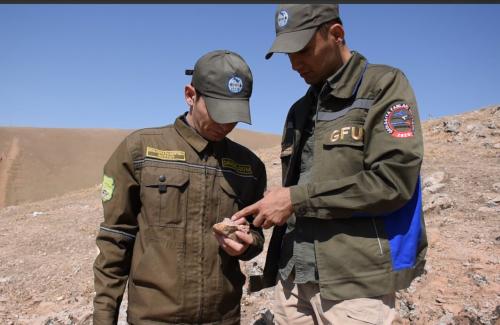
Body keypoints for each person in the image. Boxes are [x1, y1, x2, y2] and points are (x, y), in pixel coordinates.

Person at [232, 4, 427, 324]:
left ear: (336, 34)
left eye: (303, 50)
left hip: (354, 286)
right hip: (293, 281)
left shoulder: (383, 86)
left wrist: (296, 199)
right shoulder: (298, 111)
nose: (295, 63)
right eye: (287, 55)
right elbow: (296, 193)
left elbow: (393, 183)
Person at [93, 50, 267, 325]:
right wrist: (104, 317)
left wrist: (247, 245)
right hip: (154, 318)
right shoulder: (140, 150)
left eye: (234, 115)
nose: (225, 125)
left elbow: (256, 234)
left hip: (223, 318)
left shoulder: (249, 167)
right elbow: (116, 239)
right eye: (218, 112)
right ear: (190, 95)